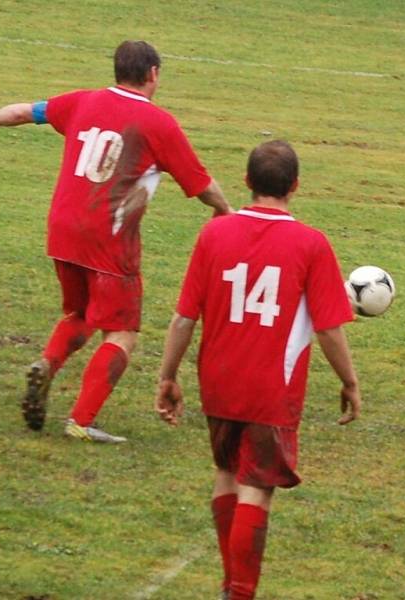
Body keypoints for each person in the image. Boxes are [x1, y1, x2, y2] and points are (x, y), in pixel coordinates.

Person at [0, 40, 232, 443]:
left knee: (81, 313)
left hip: (62, 229)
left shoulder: (82, 101)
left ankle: (47, 364)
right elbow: (202, 185)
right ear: (154, 74)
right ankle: (82, 420)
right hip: (109, 240)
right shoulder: (158, 124)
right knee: (122, 331)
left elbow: (25, 111)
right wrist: (226, 212)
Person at [155, 140, 361, 599]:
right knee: (257, 486)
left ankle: (231, 584)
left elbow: (184, 317)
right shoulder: (311, 243)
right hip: (272, 388)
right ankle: (241, 591)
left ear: (247, 182)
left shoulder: (214, 234)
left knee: (227, 473)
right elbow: (328, 328)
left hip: (218, 378)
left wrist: (168, 376)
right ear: (295, 186)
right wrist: (349, 381)